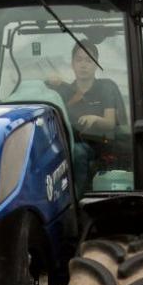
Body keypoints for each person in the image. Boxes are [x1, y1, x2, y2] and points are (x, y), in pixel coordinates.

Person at [46, 42, 126, 194]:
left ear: (96, 64)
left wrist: (95, 119)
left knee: (77, 152)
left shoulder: (106, 88)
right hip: (70, 142)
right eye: (79, 60)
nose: (83, 65)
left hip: (99, 144)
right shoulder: (64, 92)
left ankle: (78, 198)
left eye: (89, 60)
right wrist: (49, 82)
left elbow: (110, 123)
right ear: (72, 64)